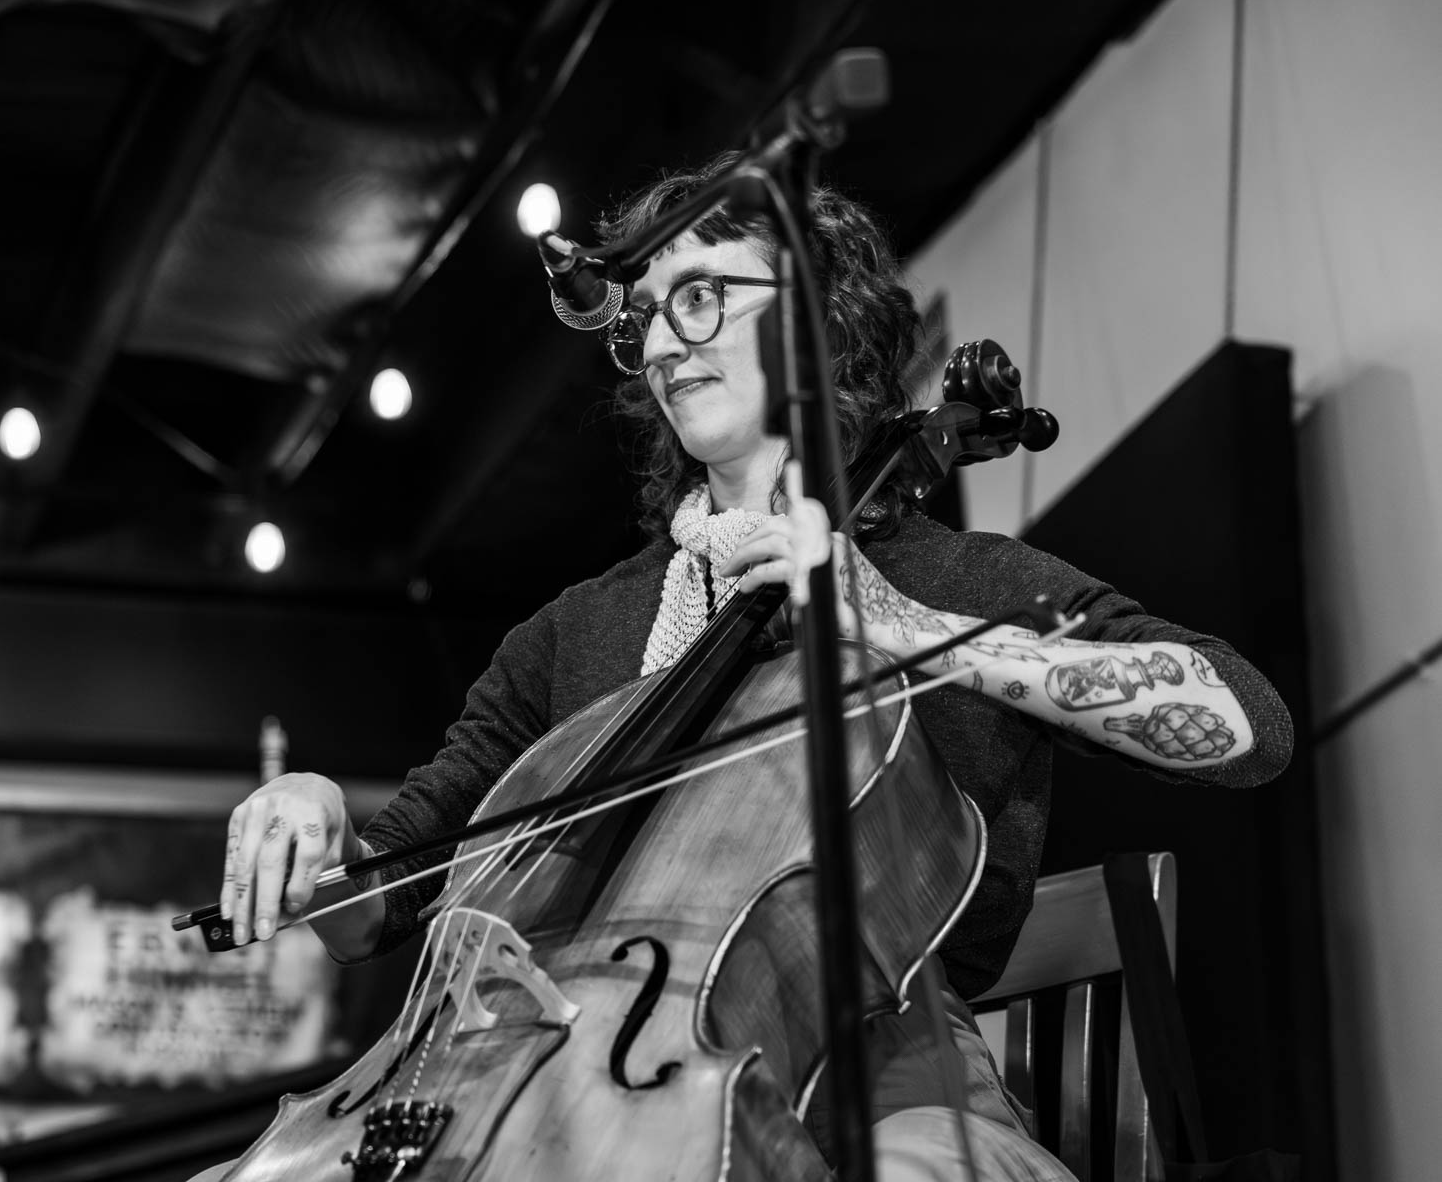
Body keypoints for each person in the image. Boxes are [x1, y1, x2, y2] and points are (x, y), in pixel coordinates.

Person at [215, 151, 1293, 1181]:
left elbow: (1245, 724)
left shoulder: (958, 580)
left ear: (822, 323)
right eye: (644, 317)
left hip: (892, 1093)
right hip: (566, 1100)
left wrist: (895, 624)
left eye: (702, 298)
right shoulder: (574, 632)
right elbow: (389, 898)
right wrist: (319, 827)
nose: (663, 344)